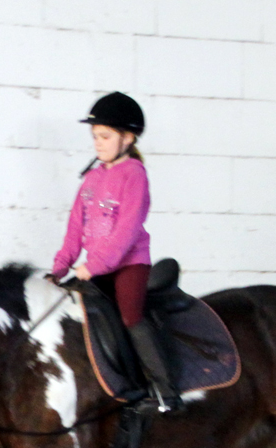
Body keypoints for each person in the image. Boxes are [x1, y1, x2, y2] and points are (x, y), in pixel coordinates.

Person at [52, 91, 180, 412]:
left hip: (128, 265)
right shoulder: (92, 178)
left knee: (130, 316)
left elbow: (127, 231)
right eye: (95, 136)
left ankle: (166, 391)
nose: (98, 142)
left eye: (105, 136)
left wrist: (94, 265)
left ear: (127, 138)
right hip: (96, 267)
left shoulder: (134, 175)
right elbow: (74, 228)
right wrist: (60, 267)